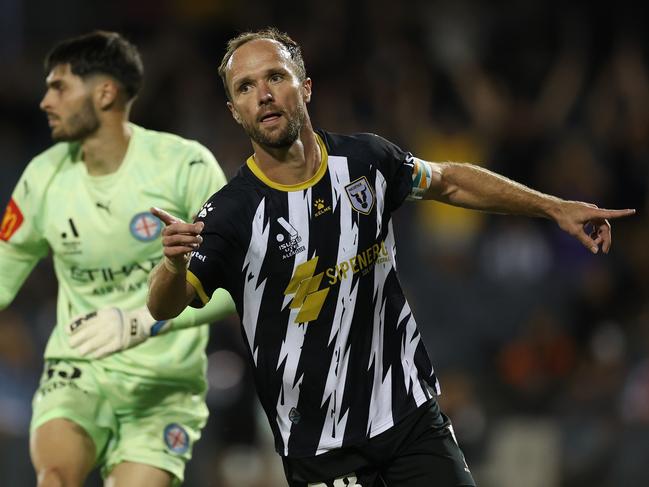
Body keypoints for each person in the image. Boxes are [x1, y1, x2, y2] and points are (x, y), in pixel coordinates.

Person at [146, 27, 635, 487]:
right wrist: (172, 266)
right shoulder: (231, 212)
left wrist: (554, 208)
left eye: (275, 76)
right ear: (234, 110)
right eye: (246, 87)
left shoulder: (367, 161)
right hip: (320, 443)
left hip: (408, 414)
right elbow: (164, 305)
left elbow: (450, 179)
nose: (264, 94)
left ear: (306, 87)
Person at [0, 31, 235, 486]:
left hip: (163, 386)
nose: (46, 101)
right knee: (54, 477)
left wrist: (138, 322)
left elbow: (233, 285)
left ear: (105, 92)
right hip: (78, 370)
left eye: (60, 87)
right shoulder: (43, 176)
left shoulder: (183, 166)